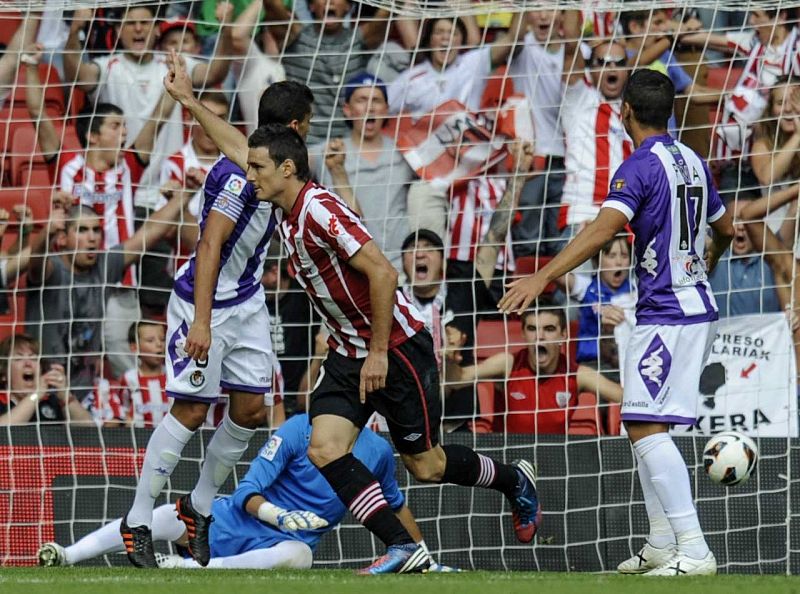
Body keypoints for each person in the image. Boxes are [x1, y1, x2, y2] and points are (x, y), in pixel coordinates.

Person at [243, 123, 540, 575]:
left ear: (286, 168)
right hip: (348, 351)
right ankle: (402, 546)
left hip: (396, 346)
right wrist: (190, 102)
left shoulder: (319, 209)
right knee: (323, 448)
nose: (249, 175)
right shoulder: (285, 211)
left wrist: (378, 353)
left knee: (427, 466)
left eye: (256, 167)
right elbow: (236, 148)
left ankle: (513, 478)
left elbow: (384, 272)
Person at [499, 69, 735, 576]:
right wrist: (705, 264)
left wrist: (541, 276)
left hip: (668, 312)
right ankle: (661, 541)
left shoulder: (638, 166)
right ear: (670, 111)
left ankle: (694, 548)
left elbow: (604, 230)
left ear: (624, 111)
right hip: (695, 306)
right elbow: (728, 228)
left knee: (643, 424)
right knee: (645, 423)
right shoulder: (694, 160)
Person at [119, 53, 315, 570]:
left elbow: (236, 141)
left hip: (247, 299)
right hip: (203, 300)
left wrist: (188, 100)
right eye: (309, 123)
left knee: (250, 410)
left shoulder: (275, 164)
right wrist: (202, 322)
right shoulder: (238, 177)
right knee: (191, 409)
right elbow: (209, 246)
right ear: (297, 125)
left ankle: (198, 507)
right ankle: (137, 520)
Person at [38, 414, 452, 572]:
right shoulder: (299, 428)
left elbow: (394, 506)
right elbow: (246, 491)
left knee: (301, 557)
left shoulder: (378, 452)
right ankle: (67, 555)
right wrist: (277, 514)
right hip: (231, 523)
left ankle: (190, 570)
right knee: (167, 515)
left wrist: (424, 558)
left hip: (283, 546)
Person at [24, 40, 180, 377]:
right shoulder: (66, 163)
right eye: (115, 126)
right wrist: (32, 65)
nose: (124, 132)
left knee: (123, 356)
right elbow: (37, 114)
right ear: (93, 136)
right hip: (70, 278)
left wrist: (173, 82)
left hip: (119, 277)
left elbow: (159, 118)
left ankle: (126, 401)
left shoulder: (130, 165)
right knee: (71, 353)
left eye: (124, 127)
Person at [25, 190, 190, 400]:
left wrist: (185, 194)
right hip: (41, 391)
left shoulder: (104, 265)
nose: (92, 238)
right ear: (63, 238)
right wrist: (47, 232)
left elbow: (148, 232)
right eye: (82, 230)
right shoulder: (51, 269)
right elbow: (35, 261)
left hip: (84, 395)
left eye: (96, 230)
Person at [446, 302, 622, 433]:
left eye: (549, 329)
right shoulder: (508, 365)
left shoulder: (577, 374)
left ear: (563, 335)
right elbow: (456, 379)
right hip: (507, 458)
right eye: (532, 329)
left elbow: (624, 397)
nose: (540, 336)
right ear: (523, 333)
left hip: (555, 459)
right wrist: (449, 355)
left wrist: (612, 335)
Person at [310, 72, 415, 271]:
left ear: (386, 110)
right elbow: (286, 161)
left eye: (376, 100)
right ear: (347, 110)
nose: (370, 107)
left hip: (400, 266)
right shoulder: (328, 152)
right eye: (361, 100)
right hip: (348, 267)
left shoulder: (405, 152)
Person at [0, 334, 94, 425]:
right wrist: (35, 395)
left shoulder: (51, 402)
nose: (28, 363)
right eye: (19, 359)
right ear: (4, 373)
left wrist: (65, 395)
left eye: (33, 358)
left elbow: (89, 430)